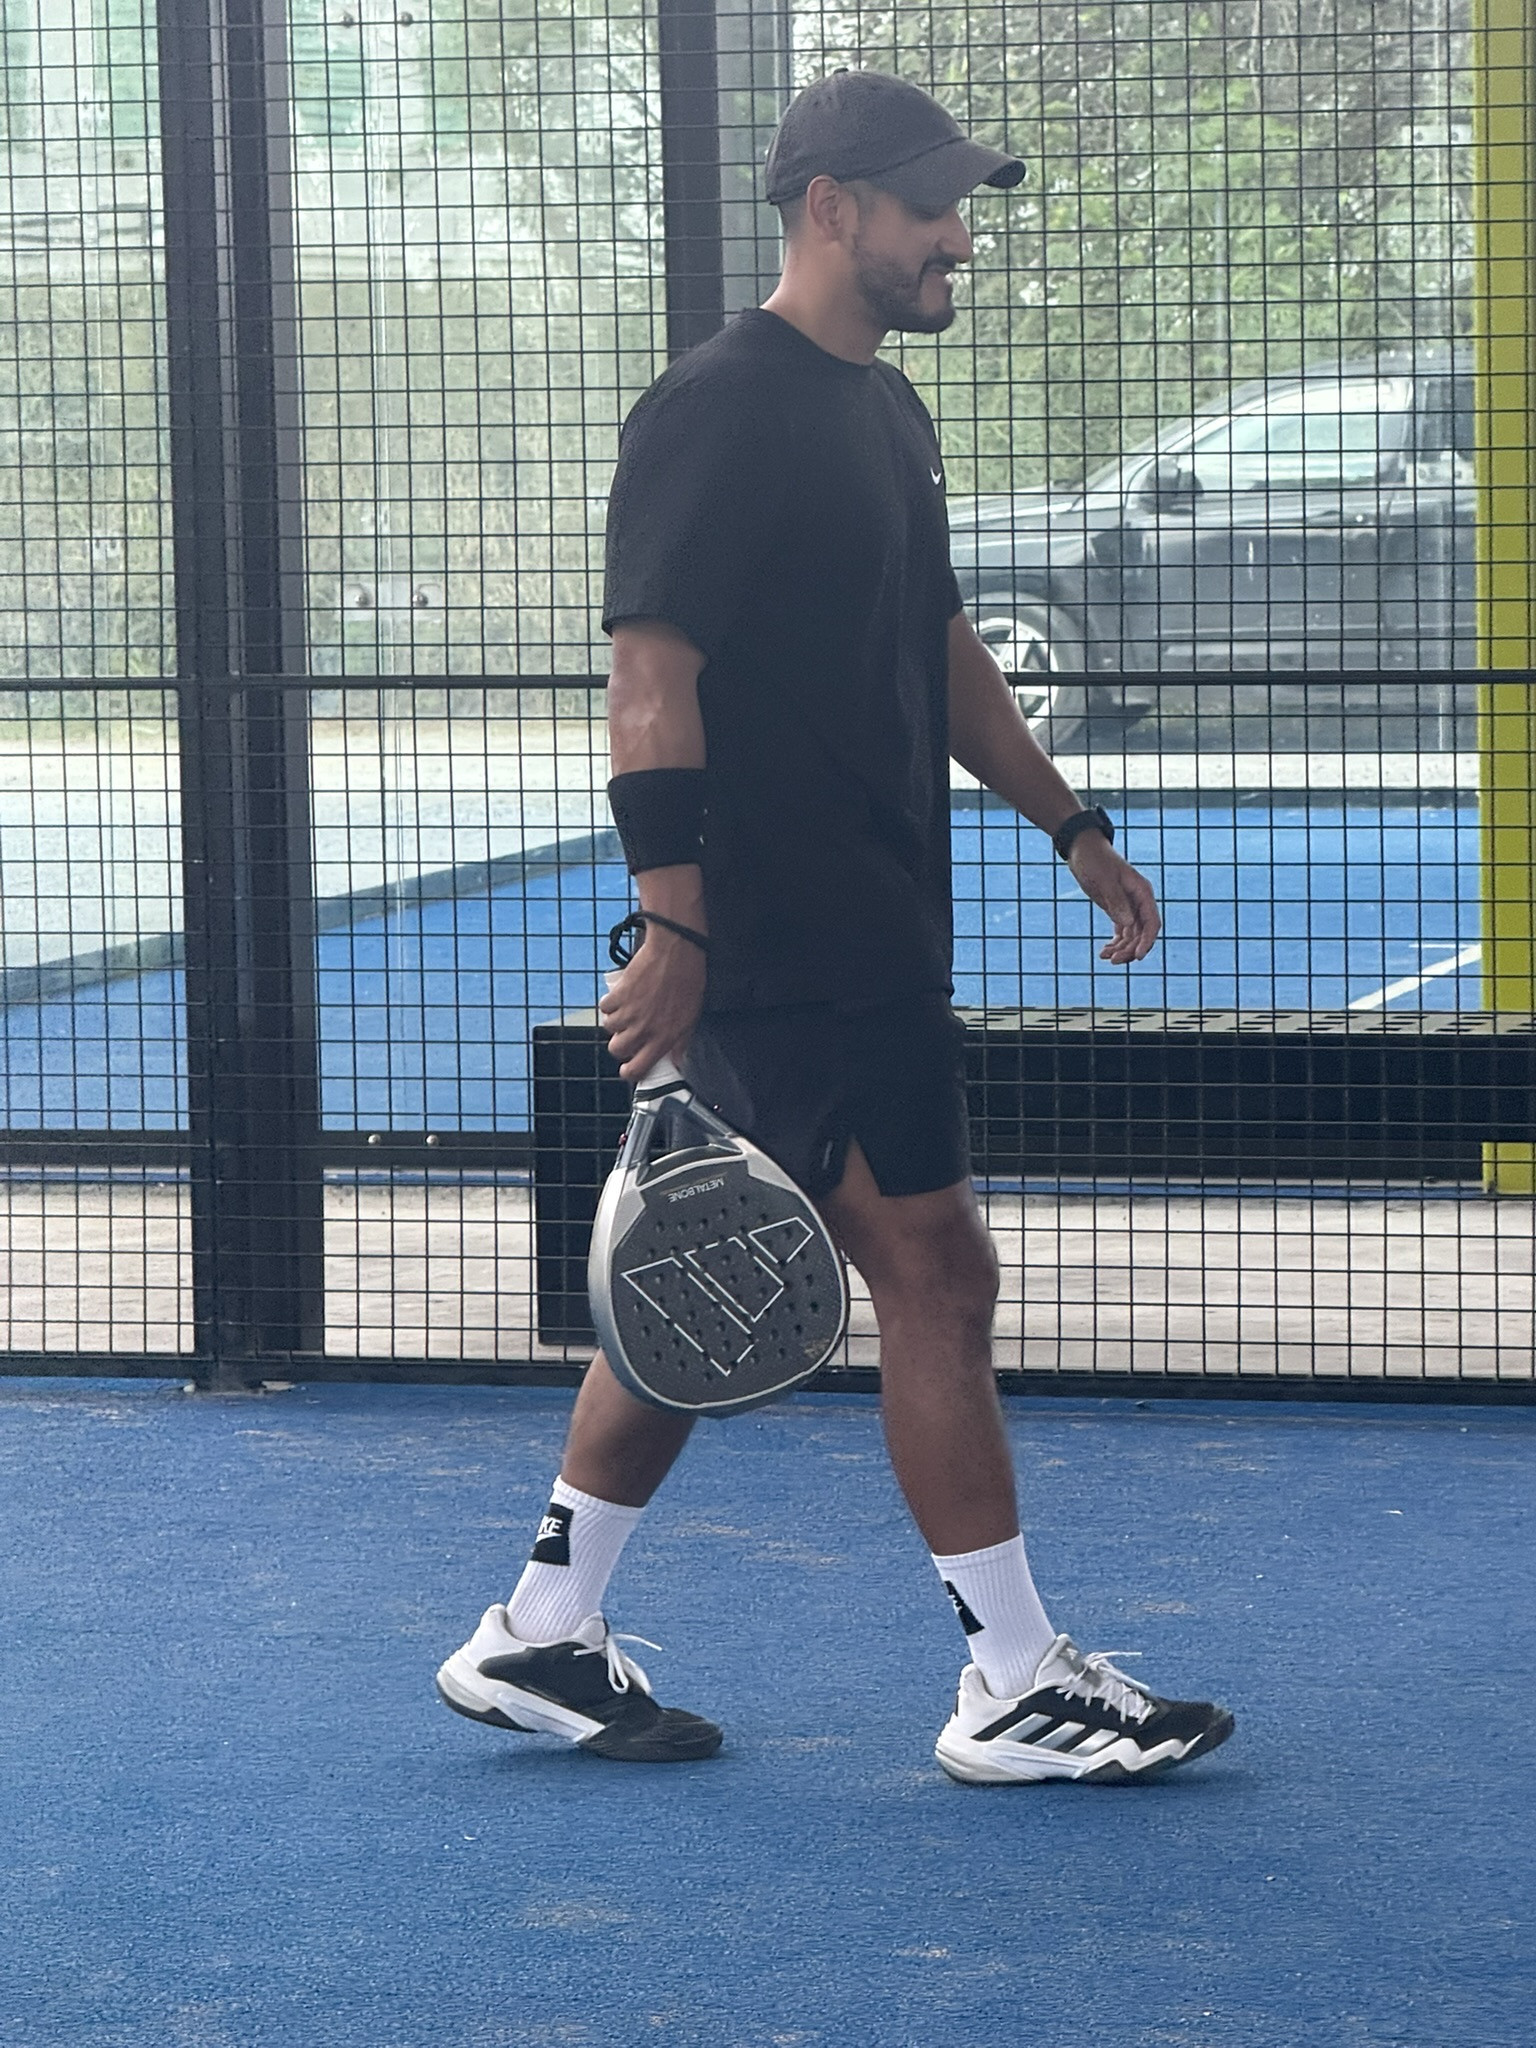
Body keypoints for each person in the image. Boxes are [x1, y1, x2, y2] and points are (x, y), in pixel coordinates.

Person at [437, 70, 1234, 1782]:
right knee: (936, 1272)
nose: (960, 238)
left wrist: (1071, 824)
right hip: (788, 943)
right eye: (932, 208)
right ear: (831, 209)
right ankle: (1010, 1680)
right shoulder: (718, 409)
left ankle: (541, 1629)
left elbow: (937, 645)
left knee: (704, 1276)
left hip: (858, 924)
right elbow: (649, 675)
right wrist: (675, 926)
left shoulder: (883, 411)